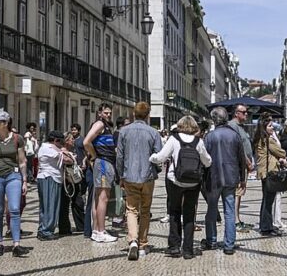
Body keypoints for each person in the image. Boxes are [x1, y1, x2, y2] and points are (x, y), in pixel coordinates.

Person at [149, 116, 211, 259]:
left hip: (175, 180)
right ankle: (188, 249)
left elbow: (161, 157)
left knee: (174, 211)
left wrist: (151, 158)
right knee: (189, 214)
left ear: (180, 125)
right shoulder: (198, 142)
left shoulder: (174, 139)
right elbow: (207, 162)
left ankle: (174, 247)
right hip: (193, 183)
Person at [116, 102, 162, 260]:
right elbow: (159, 156)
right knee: (145, 210)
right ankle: (143, 244)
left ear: (133, 114)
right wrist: (155, 170)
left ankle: (133, 241)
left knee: (131, 209)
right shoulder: (153, 132)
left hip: (129, 176)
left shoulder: (124, 131)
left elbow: (120, 156)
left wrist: (121, 175)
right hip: (147, 177)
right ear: (148, 115)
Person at [202, 107, 247, 255]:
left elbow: (204, 159)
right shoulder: (235, 135)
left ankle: (212, 241)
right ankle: (229, 245)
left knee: (212, 210)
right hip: (230, 178)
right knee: (229, 211)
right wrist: (242, 179)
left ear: (214, 120)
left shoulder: (209, 137)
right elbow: (241, 159)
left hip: (213, 178)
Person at [0, 111, 28, 257]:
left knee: (14, 209)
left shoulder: (17, 138)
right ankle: (0, 243)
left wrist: (25, 180)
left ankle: (16, 245)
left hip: (13, 175)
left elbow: (22, 161)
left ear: (6, 123)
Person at [83, 103, 118, 243]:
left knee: (98, 198)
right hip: (103, 162)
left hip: (104, 162)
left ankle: (96, 229)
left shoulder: (105, 126)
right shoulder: (99, 125)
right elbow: (86, 142)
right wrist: (94, 155)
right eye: (105, 113)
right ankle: (101, 231)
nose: (108, 115)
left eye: (109, 113)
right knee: (103, 197)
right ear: (99, 113)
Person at [253, 115, 287, 237]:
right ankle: (266, 228)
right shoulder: (267, 139)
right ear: (264, 127)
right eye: (270, 126)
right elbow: (281, 151)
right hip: (270, 172)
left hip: (264, 172)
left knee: (266, 200)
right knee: (268, 201)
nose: (272, 128)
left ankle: (266, 225)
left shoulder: (260, 138)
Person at [36, 130, 71, 241]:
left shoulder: (46, 147)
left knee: (45, 206)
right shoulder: (49, 149)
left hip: (47, 177)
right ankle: (46, 230)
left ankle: (43, 229)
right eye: (61, 142)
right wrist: (64, 151)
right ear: (56, 140)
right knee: (51, 205)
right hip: (50, 178)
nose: (62, 144)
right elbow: (68, 160)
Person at [228, 105, 253, 232]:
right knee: (237, 193)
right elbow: (238, 147)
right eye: (244, 112)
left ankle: (237, 218)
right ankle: (235, 221)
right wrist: (247, 162)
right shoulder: (232, 126)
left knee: (240, 192)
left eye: (247, 112)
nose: (246, 114)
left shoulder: (240, 127)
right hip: (239, 165)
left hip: (243, 165)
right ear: (236, 113)